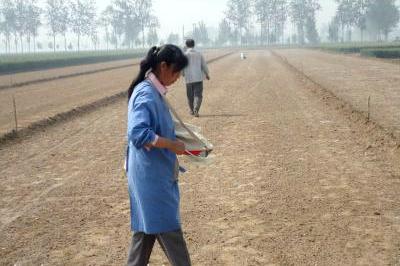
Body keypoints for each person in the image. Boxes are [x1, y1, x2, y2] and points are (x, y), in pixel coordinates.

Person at [125, 44, 191, 266]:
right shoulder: (146, 93)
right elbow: (138, 133)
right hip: (152, 182)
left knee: (145, 234)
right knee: (170, 233)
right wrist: (172, 145)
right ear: (163, 66)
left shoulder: (154, 92)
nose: (178, 77)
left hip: (151, 177)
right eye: (176, 71)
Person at [183, 39, 210, 117]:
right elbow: (204, 65)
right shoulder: (199, 54)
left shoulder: (185, 55)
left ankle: (191, 110)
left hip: (188, 79)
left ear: (186, 45)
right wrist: (207, 74)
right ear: (194, 45)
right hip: (198, 77)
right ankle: (196, 109)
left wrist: (182, 74)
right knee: (198, 95)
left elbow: (182, 67)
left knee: (190, 95)